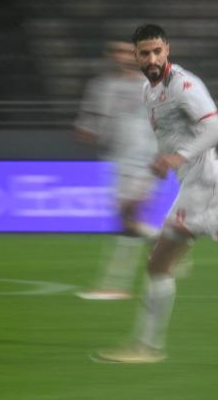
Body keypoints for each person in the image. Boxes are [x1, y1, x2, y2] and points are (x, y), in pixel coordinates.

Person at [92, 24, 218, 363]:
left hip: (201, 186)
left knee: (158, 263)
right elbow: (172, 136)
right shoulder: (149, 90)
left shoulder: (184, 85)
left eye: (157, 51)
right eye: (144, 53)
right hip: (206, 182)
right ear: (136, 56)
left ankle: (146, 348)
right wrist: (161, 161)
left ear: (167, 50)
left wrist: (177, 157)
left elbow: (217, 127)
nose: (151, 58)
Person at [74, 41, 164, 300]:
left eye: (126, 52)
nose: (121, 56)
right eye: (116, 52)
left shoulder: (151, 85)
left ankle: (114, 283)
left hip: (147, 158)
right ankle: (164, 242)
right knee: (127, 221)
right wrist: (87, 131)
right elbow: (91, 120)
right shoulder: (101, 86)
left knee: (129, 216)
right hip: (118, 158)